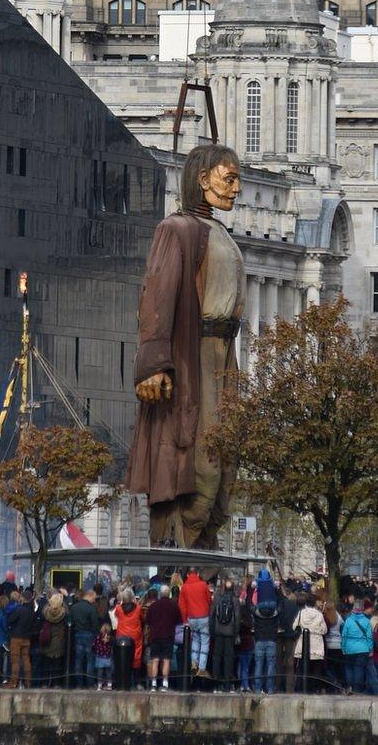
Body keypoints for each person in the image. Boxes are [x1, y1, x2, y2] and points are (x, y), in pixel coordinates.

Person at [127, 144, 244, 549]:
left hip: (223, 357)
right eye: (229, 178)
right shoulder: (176, 229)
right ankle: (180, 551)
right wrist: (154, 363)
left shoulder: (221, 232)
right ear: (203, 178)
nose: (236, 188)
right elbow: (157, 297)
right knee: (198, 462)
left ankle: (205, 547)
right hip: (195, 357)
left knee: (224, 459)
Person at [179, 569, 213, 678]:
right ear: (198, 574)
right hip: (204, 617)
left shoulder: (184, 587)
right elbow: (209, 601)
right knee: (205, 642)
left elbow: (182, 606)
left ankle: (194, 662)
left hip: (191, 618)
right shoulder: (203, 585)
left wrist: (185, 620)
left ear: (188, 574)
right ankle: (202, 668)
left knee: (195, 640)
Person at [145, 584, 179, 691]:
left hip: (155, 636)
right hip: (168, 636)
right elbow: (179, 621)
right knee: (166, 660)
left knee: (155, 659)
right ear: (168, 593)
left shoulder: (153, 606)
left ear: (160, 593)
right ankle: (165, 683)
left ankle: (153, 684)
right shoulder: (173, 605)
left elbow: (147, 622)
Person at [292, 593, 327, 693]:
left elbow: (294, 626)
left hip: (303, 644)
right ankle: (316, 689)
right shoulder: (319, 614)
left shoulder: (301, 613)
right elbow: (324, 630)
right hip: (316, 645)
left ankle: (302, 688)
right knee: (316, 669)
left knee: (303, 668)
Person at [209, 580, 241, 691]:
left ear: (223, 588)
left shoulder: (217, 599)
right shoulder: (235, 600)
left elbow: (212, 615)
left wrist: (211, 630)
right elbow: (237, 618)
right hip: (230, 632)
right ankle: (227, 684)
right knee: (229, 658)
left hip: (218, 631)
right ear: (233, 589)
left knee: (217, 657)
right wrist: (236, 633)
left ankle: (215, 684)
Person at [5, 590, 37, 689]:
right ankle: (27, 682)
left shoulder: (18, 609)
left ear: (22, 598)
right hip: (27, 639)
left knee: (15, 661)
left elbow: (9, 621)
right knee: (26, 660)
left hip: (16, 638)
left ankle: (14, 682)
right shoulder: (32, 611)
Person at [341, 600, 374, 694]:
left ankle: (349, 687)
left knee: (349, 668)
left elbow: (344, 635)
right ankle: (357, 689)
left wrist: (343, 647)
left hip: (349, 648)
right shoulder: (367, 621)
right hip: (363, 648)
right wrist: (370, 649)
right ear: (363, 609)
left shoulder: (348, 620)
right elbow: (369, 637)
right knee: (359, 669)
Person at [69, 589, 99, 688]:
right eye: (94, 598)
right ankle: (90, 683)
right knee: (90, 660)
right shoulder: (91, 608)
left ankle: (79, 683)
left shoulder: (74, 607)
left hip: (77, 634)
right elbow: (95, 625)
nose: (94, 601)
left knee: (78, 660)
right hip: (89, 635)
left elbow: (70, 622)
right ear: (89, 596)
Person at [114, 588, 145, 683]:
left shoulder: (118, 609)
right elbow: (143, 619)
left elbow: (116, 615)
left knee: (122, 658)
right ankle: (137, 682)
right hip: (135, 636)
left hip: (122, 636)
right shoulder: (138, 608)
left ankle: (123, 681)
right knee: (136, 657)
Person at [252, 597, 280, 694]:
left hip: (259, 640)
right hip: (271, 640)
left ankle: (257, 688)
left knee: (258, 665)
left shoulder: (256, 614)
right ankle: (270, 688)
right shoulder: (275, 614)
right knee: (271, 665)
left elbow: (250, 606)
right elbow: (280, 604)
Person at [93, 621, 114, 690]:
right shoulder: (110, 638)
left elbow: (94, 645)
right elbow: (111, 646)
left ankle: (99, 685)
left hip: (99, 656)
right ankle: (109, 685)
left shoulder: (98, 637)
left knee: (100, 672)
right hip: (107, 657)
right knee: (108, 672)